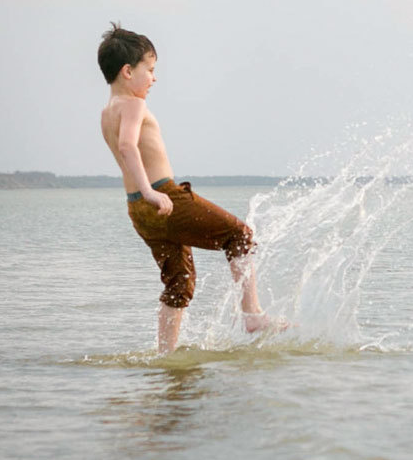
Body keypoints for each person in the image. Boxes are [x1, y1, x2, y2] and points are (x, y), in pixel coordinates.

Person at [97, 23, 281, 353]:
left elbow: (124, 148)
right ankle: (252, 315)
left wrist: (144, 196)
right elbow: (128, 147)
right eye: (149, 70)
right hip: (160, 196)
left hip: (138, 209)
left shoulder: (106, 112)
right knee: (239, 234)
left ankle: (166, 354)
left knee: (178, 283)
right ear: (127, 71)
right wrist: (153, 192)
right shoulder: (134, 105)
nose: (154, 78)